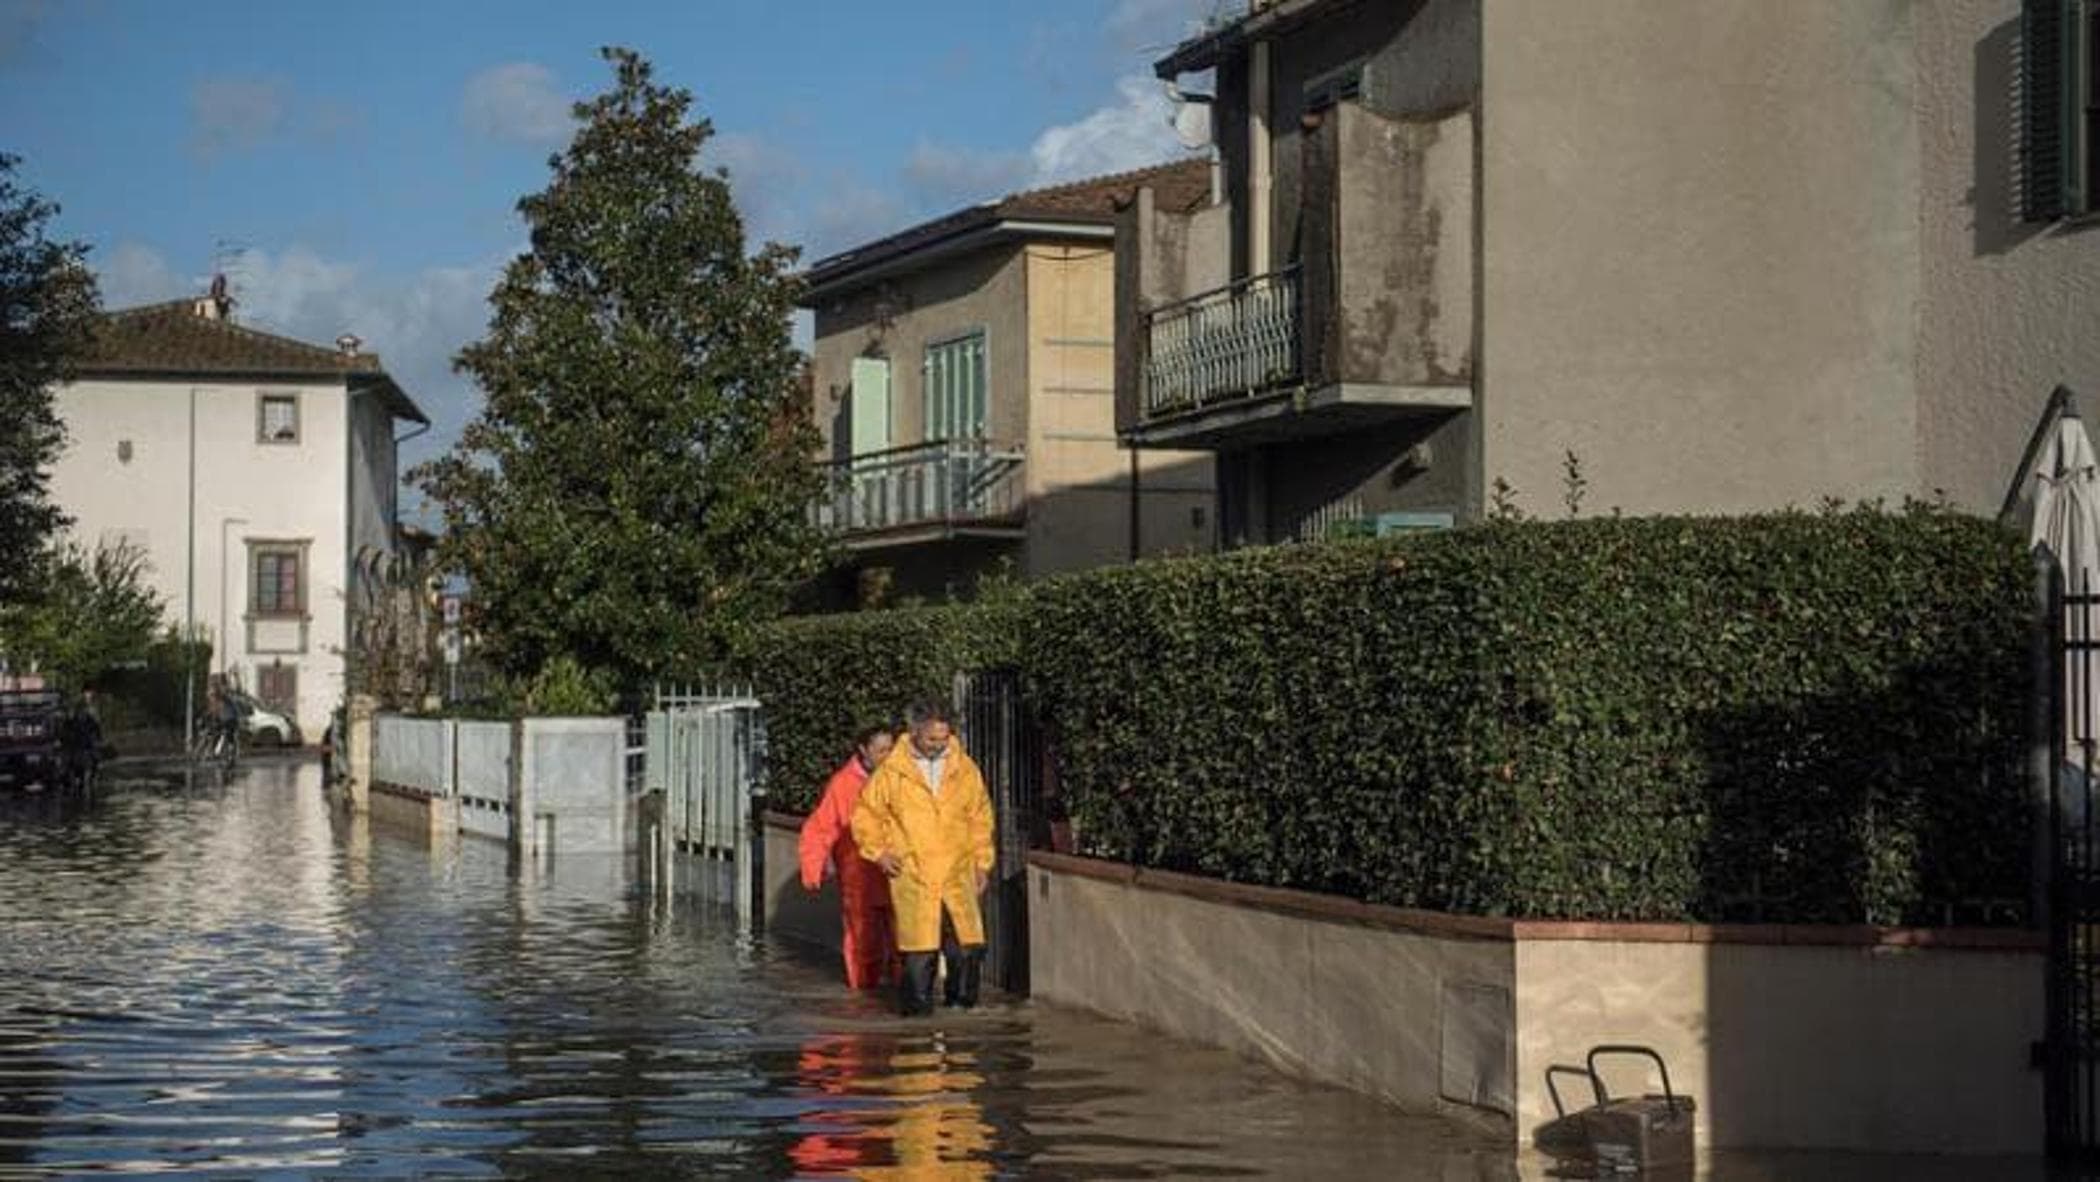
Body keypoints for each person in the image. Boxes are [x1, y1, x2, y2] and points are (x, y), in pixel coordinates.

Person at [850, 700, 996, 1017]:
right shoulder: (891, 772)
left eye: (943, 738)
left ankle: (963, 1009)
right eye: (932, 739)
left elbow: (980, 818)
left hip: (958, 869)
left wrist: (982, 863)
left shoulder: (965, 769)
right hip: (913, 872)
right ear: (915, 732)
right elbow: (865, 816)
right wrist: (880, 854)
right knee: (919, 951)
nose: (938, 745)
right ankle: (917, 1018)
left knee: (966, 945)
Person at [797, 726, 899, 990]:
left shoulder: (901, 778)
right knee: (863, 942)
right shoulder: (843, 784)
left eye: (891, 749)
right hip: (859, 876)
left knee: (906, 941)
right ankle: (864, 997)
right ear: (863, 750)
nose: (887, 756)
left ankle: (903, 996)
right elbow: (821, 826)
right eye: (881, 750)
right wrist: (812, 867)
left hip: (898, 872)